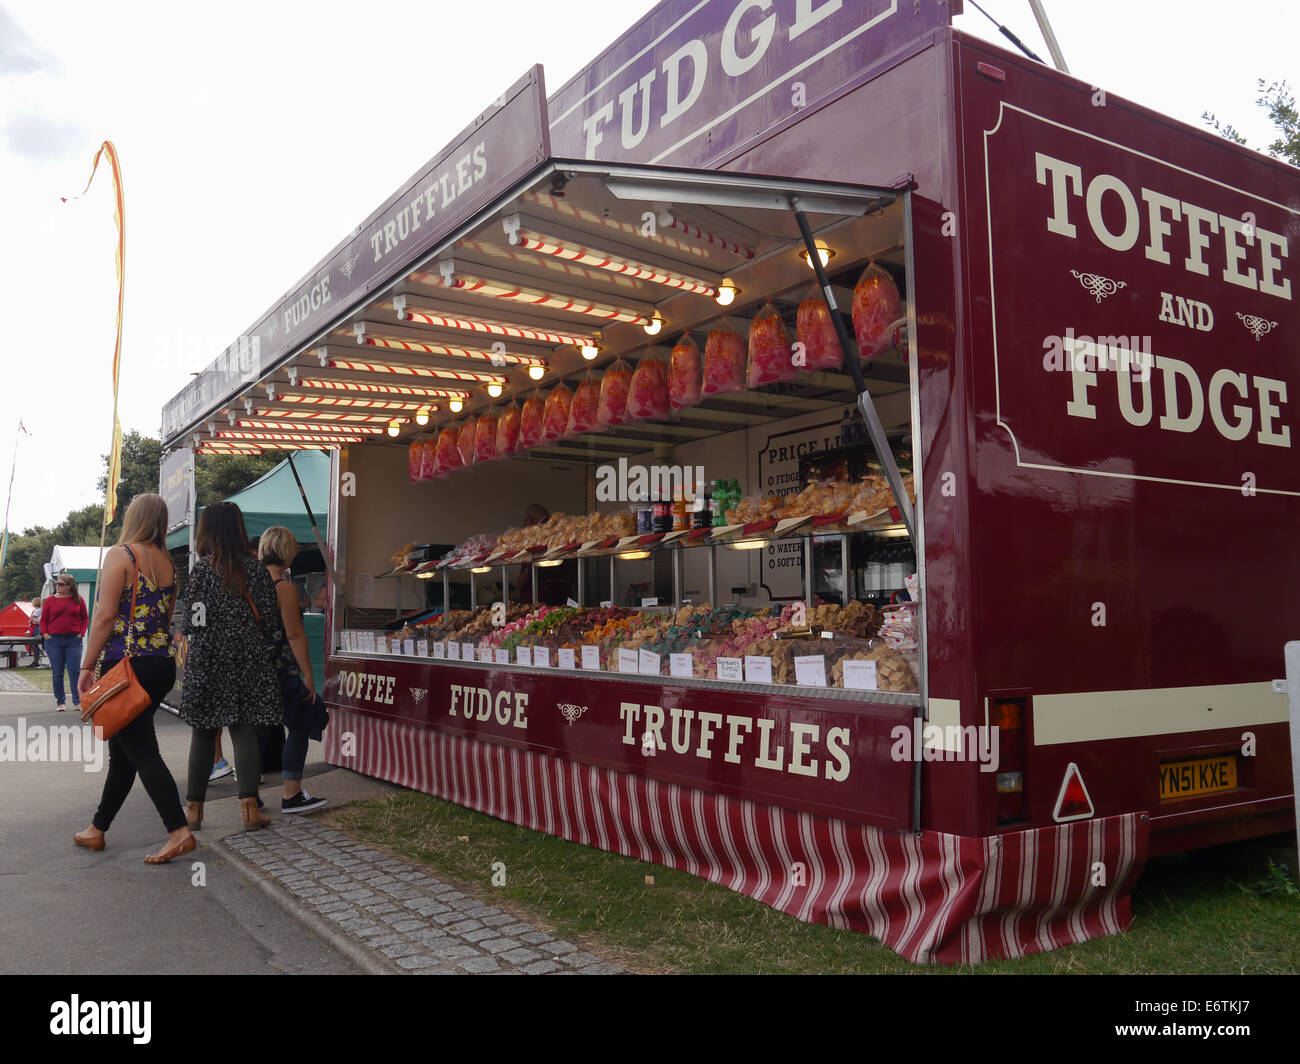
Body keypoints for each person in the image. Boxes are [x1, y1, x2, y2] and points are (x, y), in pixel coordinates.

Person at [73, 494, 195, 864]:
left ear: (133, 518)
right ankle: (97, 828)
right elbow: (165, 617)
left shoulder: (121, 555)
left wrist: (86, 665)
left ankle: (179, 831)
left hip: (125, 666)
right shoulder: (170, 566)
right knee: (124, 753)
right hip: (159, 665)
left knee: (141, 751)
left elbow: (107, 615)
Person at [178, 502, 284, 832]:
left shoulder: (200, 571)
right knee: (244, 729)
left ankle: (193, 814)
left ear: (207, 531)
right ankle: (250, 811)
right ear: (238, 528)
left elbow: (193, 623)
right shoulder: (256, 571)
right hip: (248, 657)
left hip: (208, 658)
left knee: (204, 731)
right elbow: (270, 621)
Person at [258, 526, 327, 814]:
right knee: (302, 721)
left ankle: (250, 796)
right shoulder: (283, 588)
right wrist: (308, 674)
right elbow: (295, 634)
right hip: (281, 669)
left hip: (254, 669)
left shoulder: (249, 584)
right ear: (287, 553)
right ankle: (291, 792)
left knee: (255, 732)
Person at [42, 574, 88, 711]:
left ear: (70, 586)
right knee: (57, 672)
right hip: (54, 639)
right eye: (57, 583)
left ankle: (77, 701)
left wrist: (82, 633)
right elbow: (43, 619)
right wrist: (45, 634)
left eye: (62, 584)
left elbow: (85, 618)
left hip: (73, 639)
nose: (58, 586)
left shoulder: (78, 600)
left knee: (74, 671)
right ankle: (60, 701)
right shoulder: (50, 600)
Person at [28, 597, 43, 667]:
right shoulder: (39, 610)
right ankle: (35, 660)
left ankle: (36, 660)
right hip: (35, 627)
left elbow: (32, 618)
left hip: (35, 627)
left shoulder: (37, 610)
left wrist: (30, 620)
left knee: (34, 644)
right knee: (34, 644)